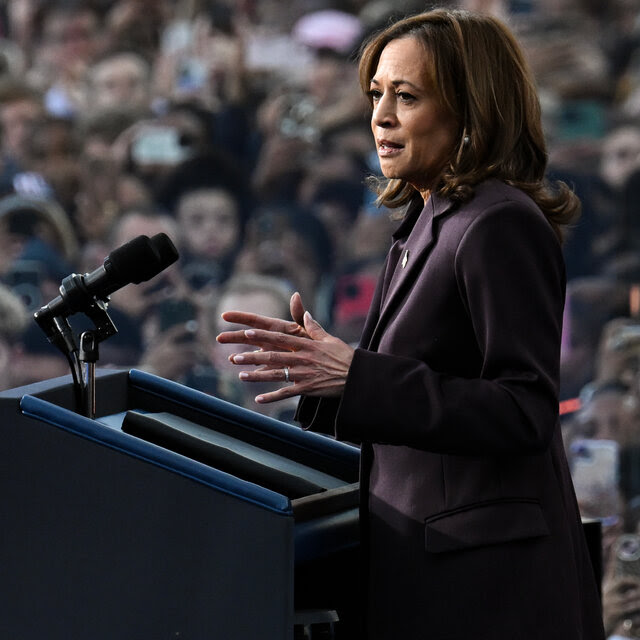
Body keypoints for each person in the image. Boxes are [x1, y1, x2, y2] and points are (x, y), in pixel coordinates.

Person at [216, 9, 605, 639]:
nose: (381, 116)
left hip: (489, 595)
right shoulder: (429, 223)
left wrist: (358, 376)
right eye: (376, 94)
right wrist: (326, 382)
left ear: (472, 109)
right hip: (428, 581)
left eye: (407, 96)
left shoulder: (497, 224)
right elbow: (402, 400)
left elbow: (524, 408)